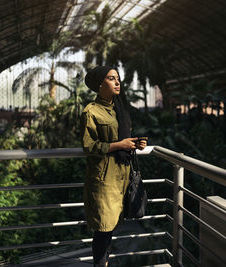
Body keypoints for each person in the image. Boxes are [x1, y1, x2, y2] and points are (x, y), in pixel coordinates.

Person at [81, 66, 147, 267]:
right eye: (112, 79)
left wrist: (134, 144)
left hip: (122, 175)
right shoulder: (91, 111)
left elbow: (122, 139)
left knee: (110, 228)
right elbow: (89, 146)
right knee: (103, 229)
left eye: (118, 78)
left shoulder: (120, 109)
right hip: (104, 180)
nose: (118, 82)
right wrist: (120, 145)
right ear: (100, 84)